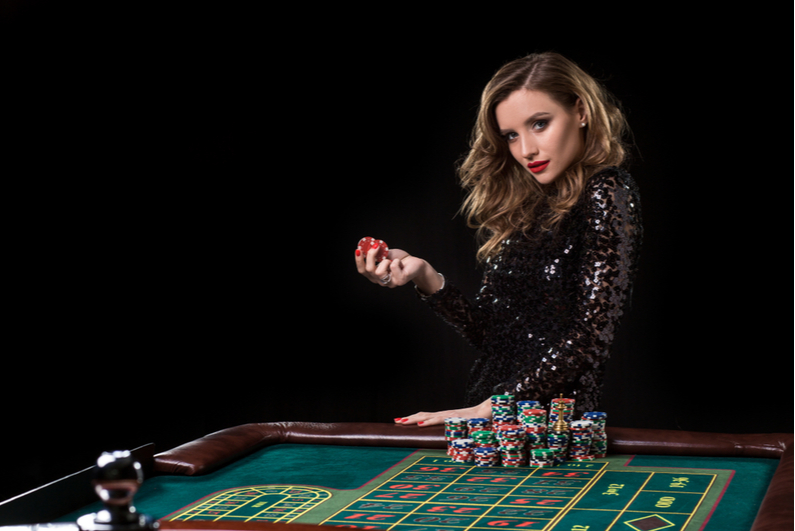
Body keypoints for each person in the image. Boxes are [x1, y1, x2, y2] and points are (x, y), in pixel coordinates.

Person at [355, 52, 642, 427]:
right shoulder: (523, 207)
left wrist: (494, 405)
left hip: (551, 429)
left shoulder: (608, 190)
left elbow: (591, 339)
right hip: (488, 421)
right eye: (511, 135)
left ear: (581, 111)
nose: (526, 150)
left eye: (540, 124)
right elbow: (494, 337)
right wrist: (425, 276)